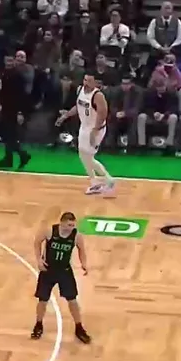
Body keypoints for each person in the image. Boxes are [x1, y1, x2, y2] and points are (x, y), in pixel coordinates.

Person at [32, 212, 91, 344]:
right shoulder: (50, 231)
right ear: (62, 223)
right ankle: (38, 324)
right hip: (48, 270)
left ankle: (79, 328)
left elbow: (82, 250)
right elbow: (37, 242)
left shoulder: (76, 236)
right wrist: (39, 260)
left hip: (64, 271)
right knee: (42, 300)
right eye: (69, 225)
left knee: (73, 300)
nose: (71, 228)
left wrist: (84, 264)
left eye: (73, 225)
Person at [57, 72, 116, 196]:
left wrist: (95, 131)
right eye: (85, 80)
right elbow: (78, 106)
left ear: (95, 83)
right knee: (82, 155)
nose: (86, 83)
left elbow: (103, 114)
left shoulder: (98, 96)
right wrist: (65, 116)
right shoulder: (80, 90)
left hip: (96, 128)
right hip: (84, 126)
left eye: (89, 81)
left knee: (88, 156)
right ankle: (95, 183)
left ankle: (108, 179)